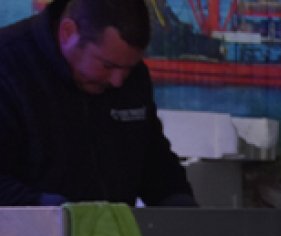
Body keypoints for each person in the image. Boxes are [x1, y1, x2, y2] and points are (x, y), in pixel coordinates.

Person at [0, 0, 195, 207]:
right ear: (68, 33)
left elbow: (153, 160)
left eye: (129, 68)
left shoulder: (133, 78)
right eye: (107, 66)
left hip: (112, 235)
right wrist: (55, 214)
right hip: (28, 233)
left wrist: (180, 205)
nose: (117, 81)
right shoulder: (7, 66)